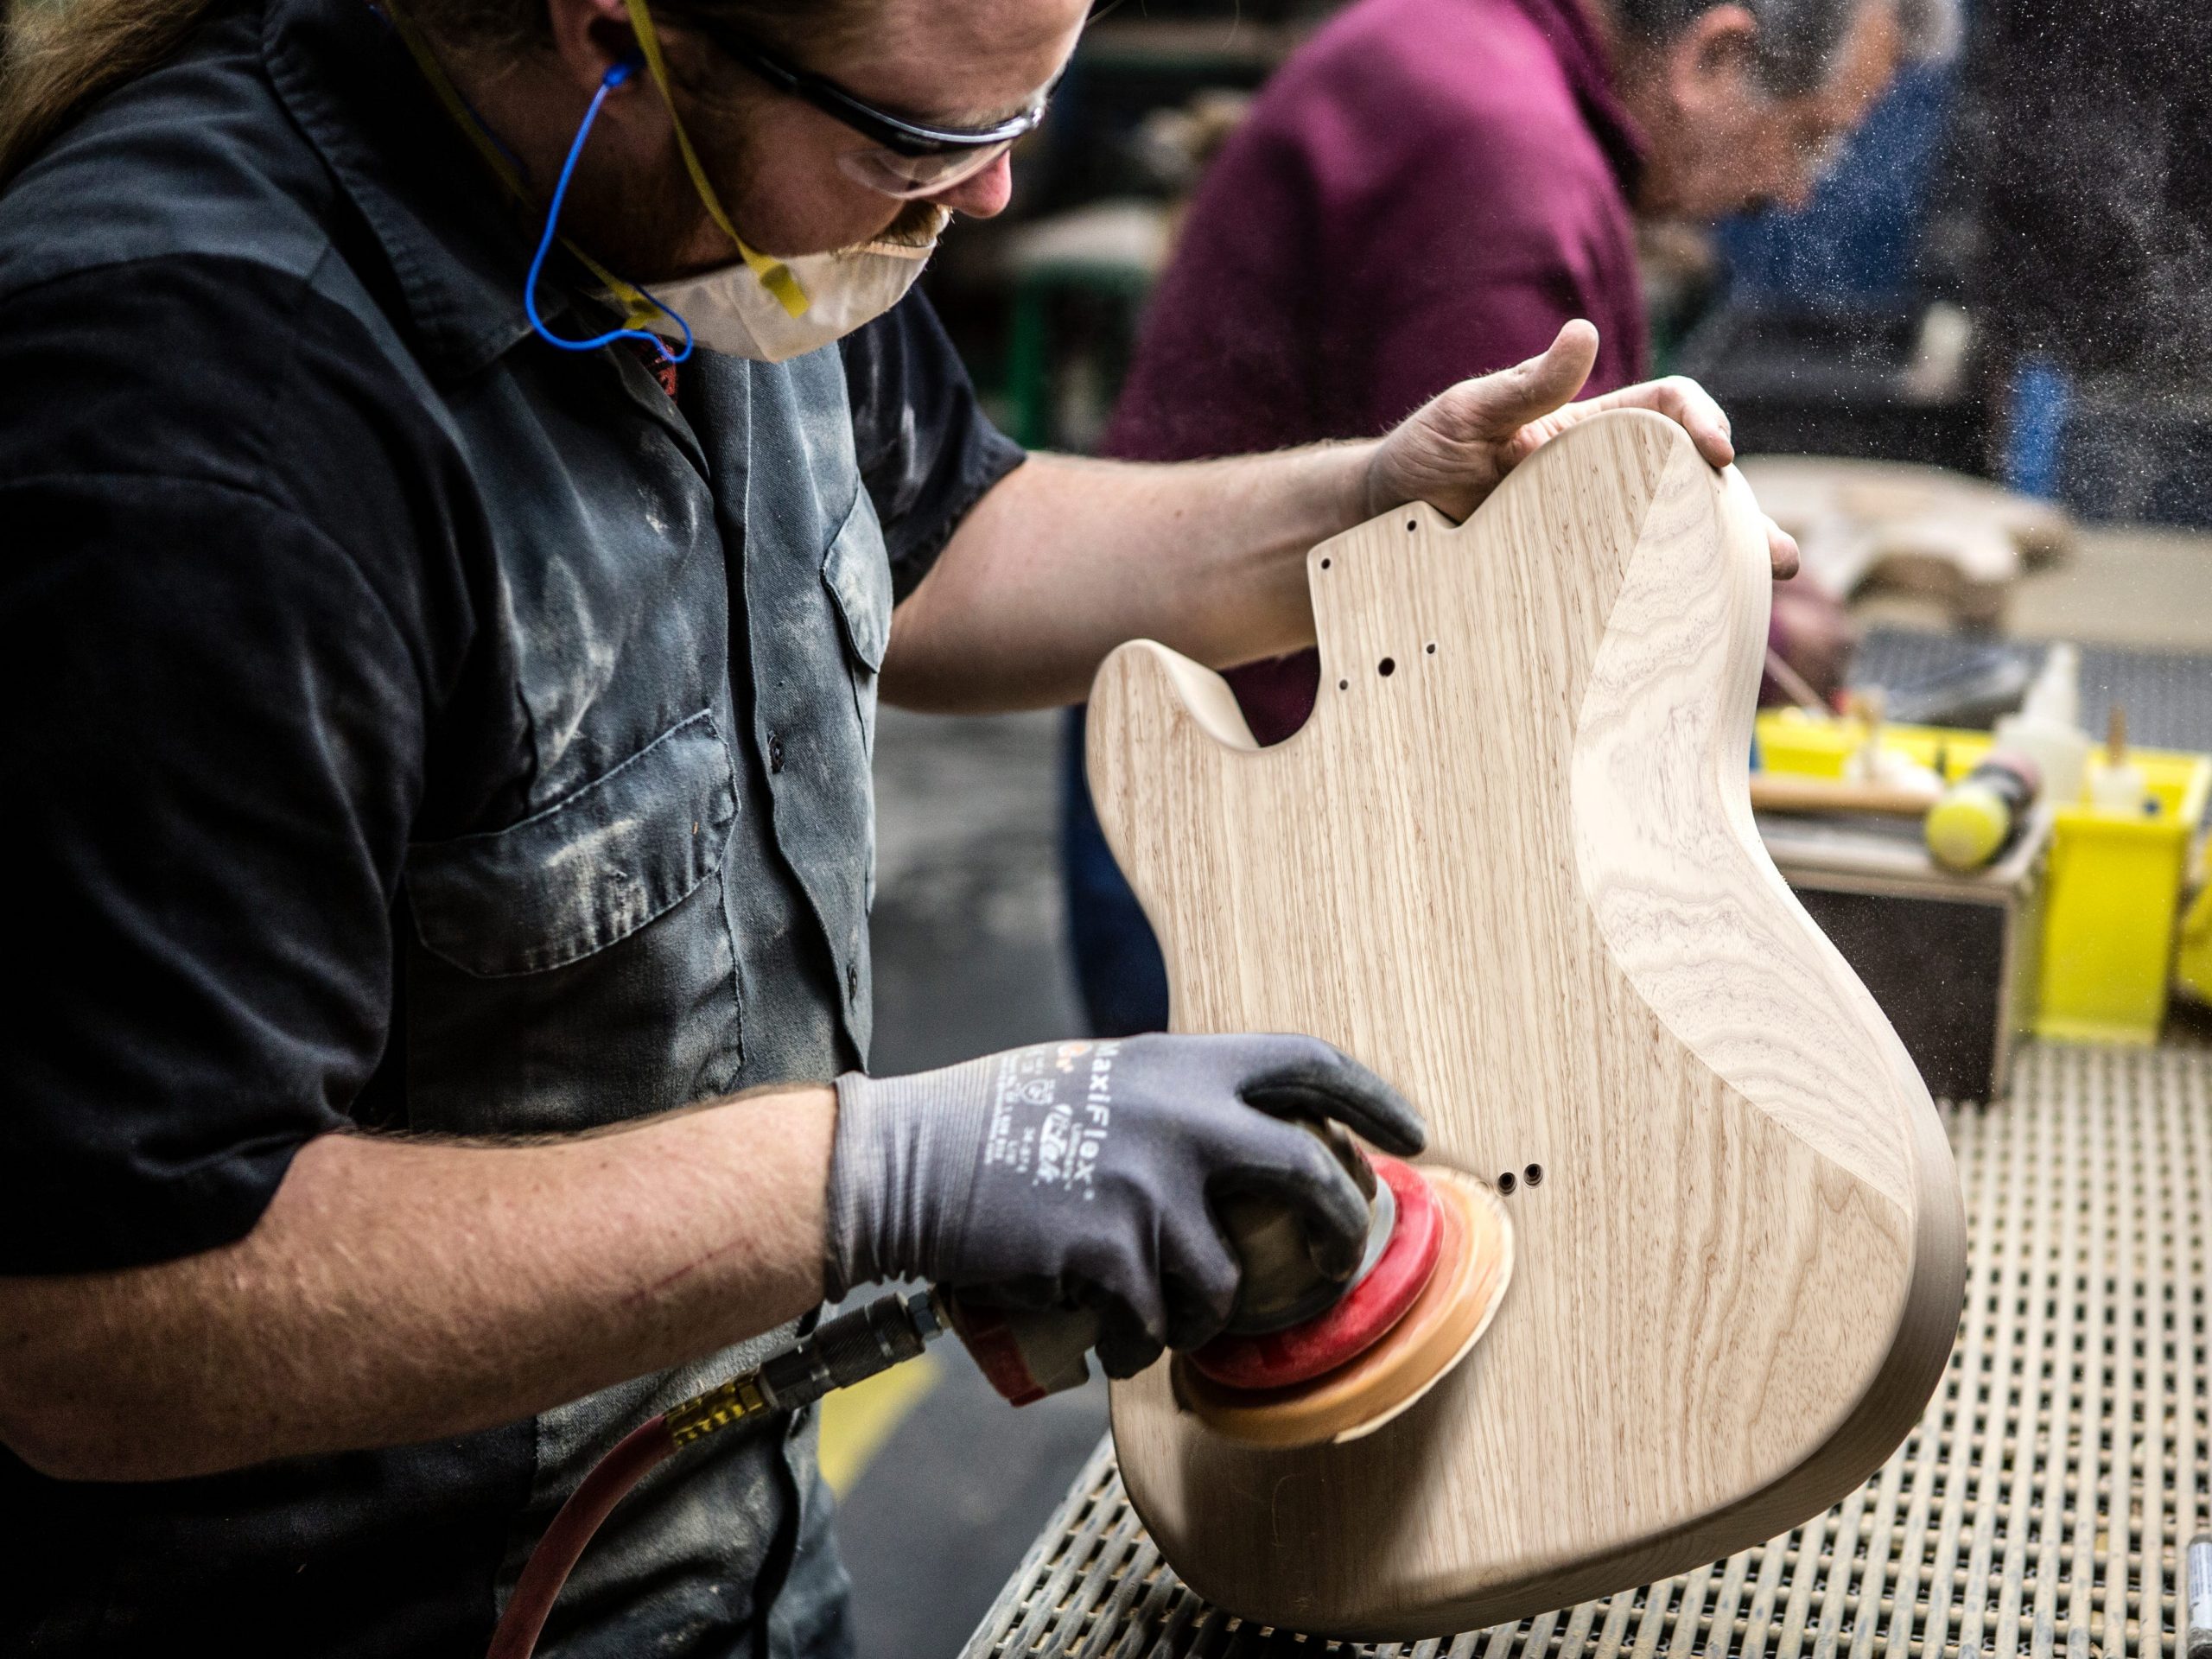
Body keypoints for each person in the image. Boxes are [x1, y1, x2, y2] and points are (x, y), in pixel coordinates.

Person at [0, 0, 1788, 1649]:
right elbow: (96, 1326)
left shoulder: (718, 197)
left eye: (1017, 115)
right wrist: (890, 1174)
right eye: (919, 146)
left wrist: (1381, 511)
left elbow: (944, 546)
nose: (994, 187)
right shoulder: (186, 416)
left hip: (725, 1559)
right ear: (610, 29)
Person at [1064, 0, 1954, 1039]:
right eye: (1808, 135)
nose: (1793, 190)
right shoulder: (1500, 162)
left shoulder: (1477, 48)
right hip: (1258, 814)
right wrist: (1732, 634)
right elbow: (1505, 608)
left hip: (1227, 726)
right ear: (1716, 56)